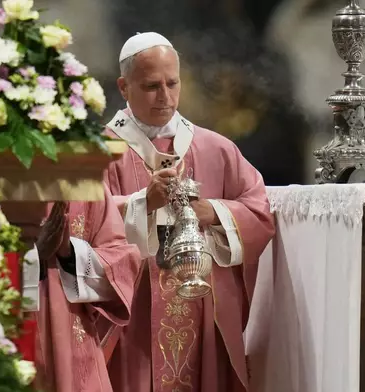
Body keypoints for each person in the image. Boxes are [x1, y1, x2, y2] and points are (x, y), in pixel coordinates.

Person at [102, 32, 276, 391]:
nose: (165, 97)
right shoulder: (100, 152)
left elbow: (259, 212)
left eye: (172, 83)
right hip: (132, 319)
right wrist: (141, 205)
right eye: (151, 86)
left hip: (202, 312)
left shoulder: (216, 148)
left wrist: (211, 212)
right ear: (123, 86)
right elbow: (82, 223)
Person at [23, 186, 142, 392]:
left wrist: (70, 253)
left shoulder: (86, 182)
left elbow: (122, 261)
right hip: (14, 333)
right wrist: (34, 255)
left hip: (74, 339)